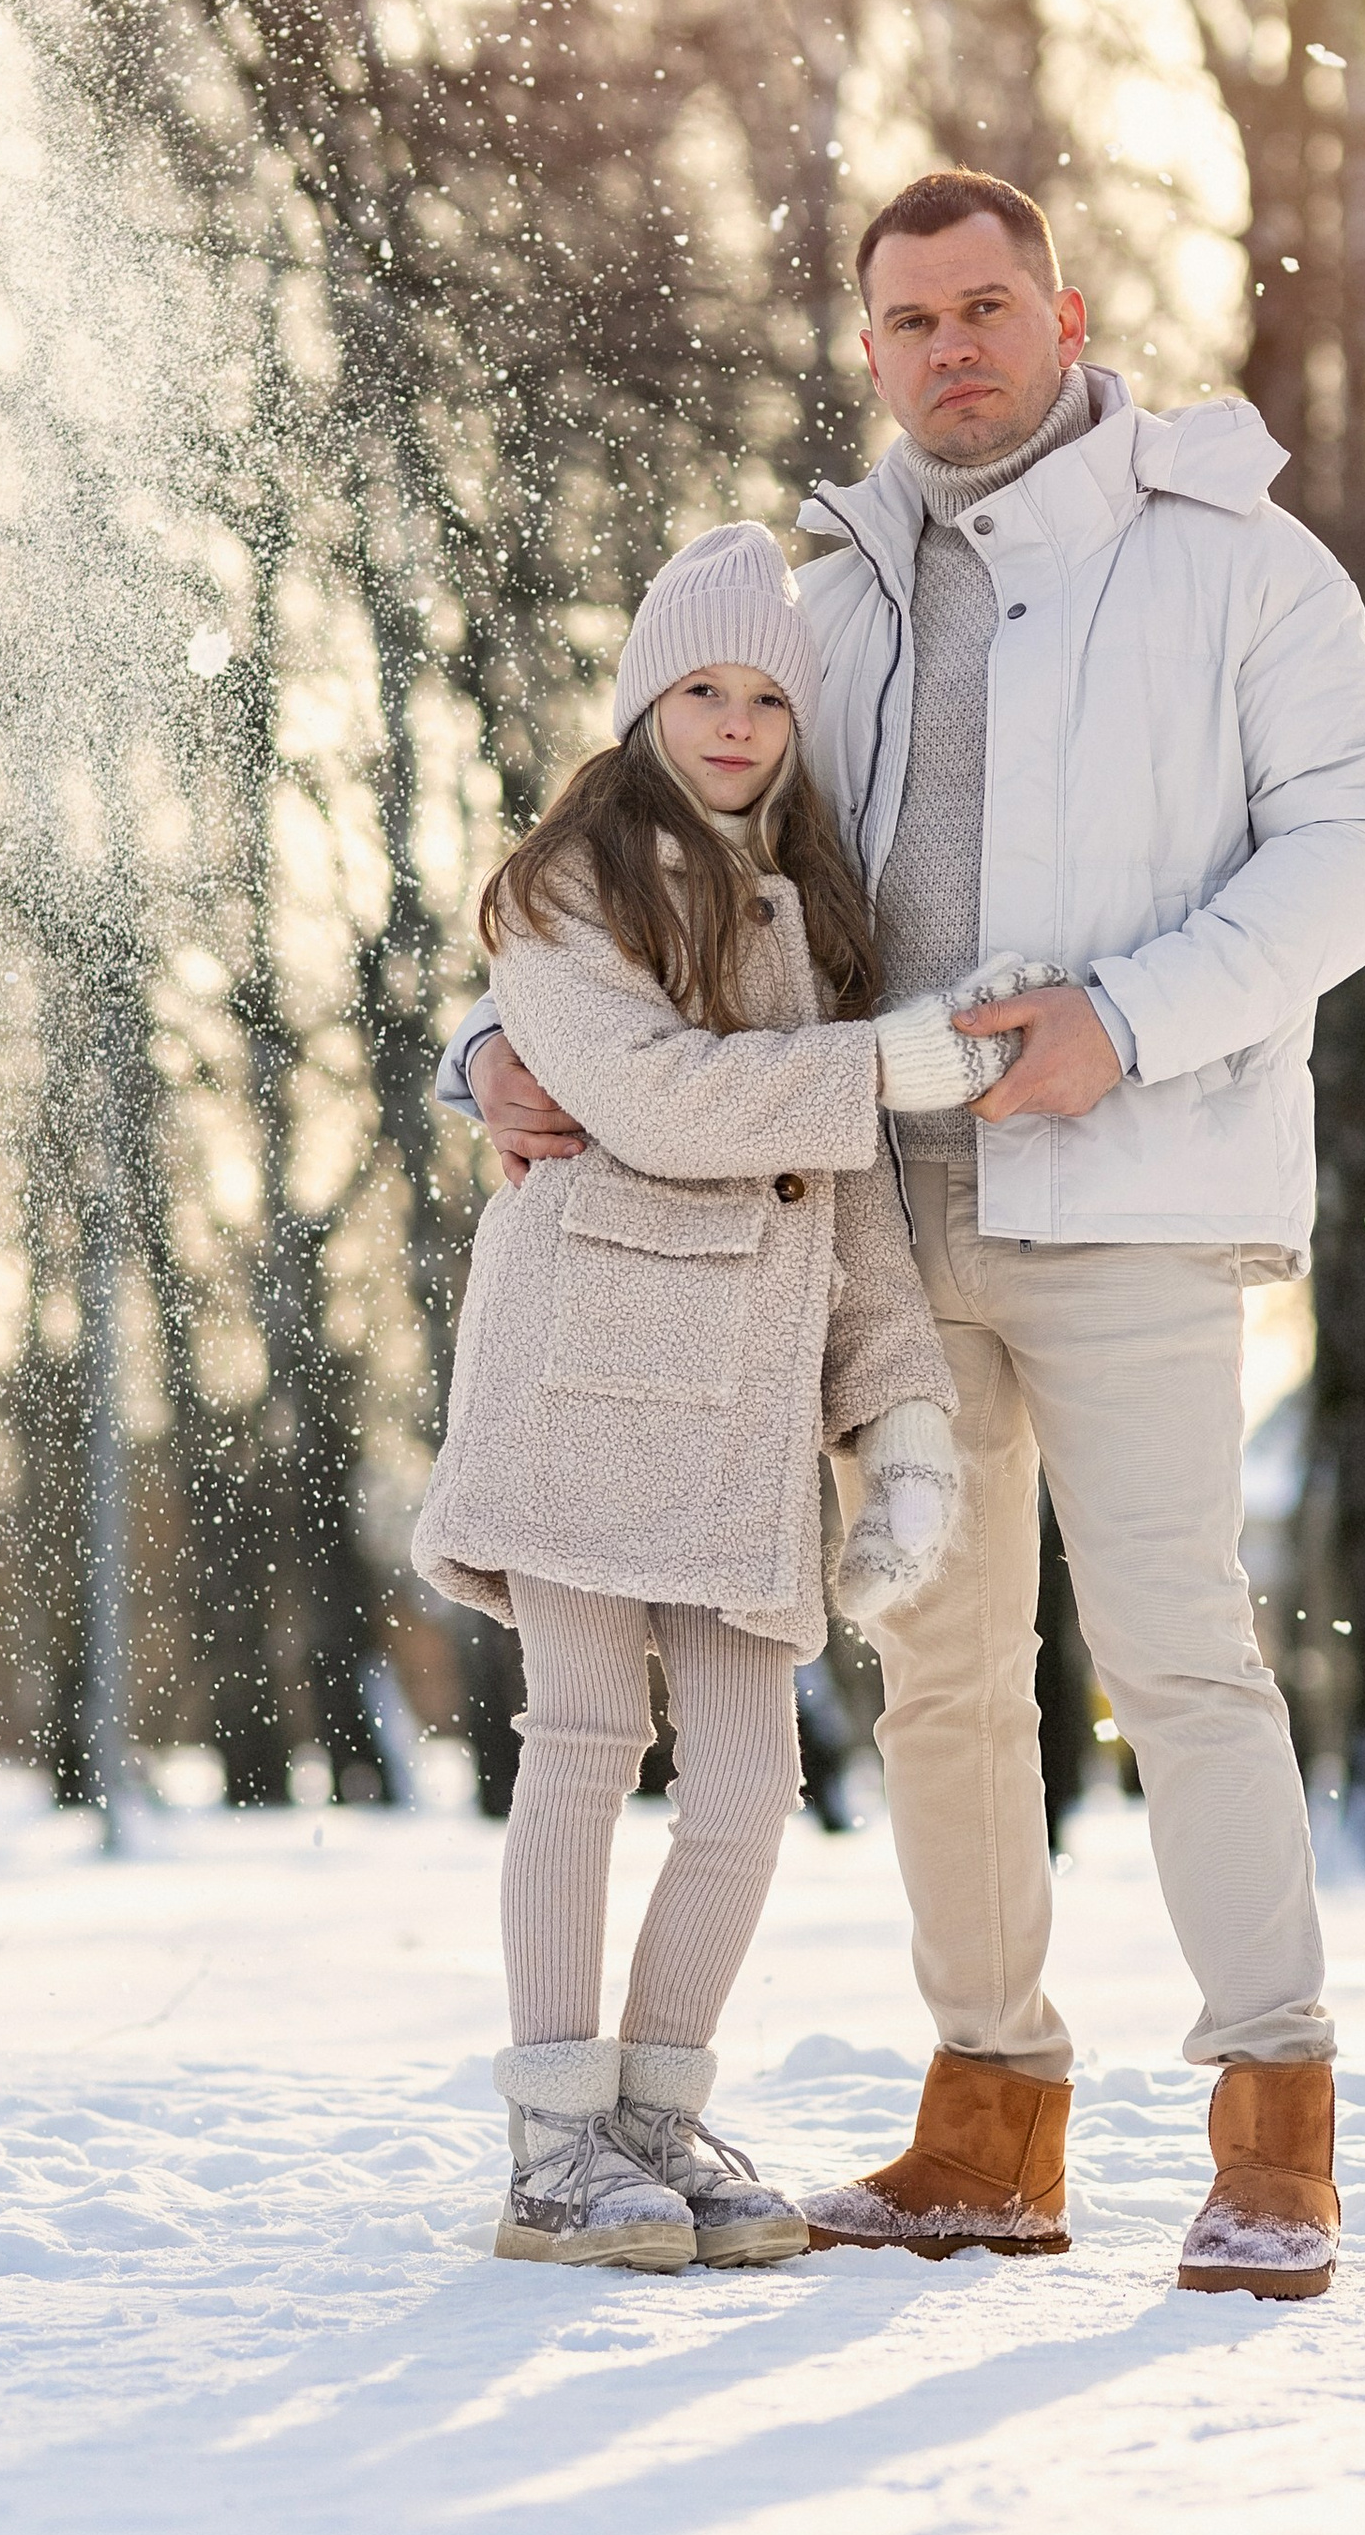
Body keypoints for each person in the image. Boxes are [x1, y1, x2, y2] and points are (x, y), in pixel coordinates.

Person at [444, 173, 1365, 2297]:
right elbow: (676, 868)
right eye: (906, 322)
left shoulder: (1235, 567)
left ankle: (1273, 2125)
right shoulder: (830, 597)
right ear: (867, 348)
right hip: (876, 1236)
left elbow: (1363, 853)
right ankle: (990, 2113)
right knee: (946, 1680)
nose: (947, 350)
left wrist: (1126, 1022)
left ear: (1065, 316)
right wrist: (490, 1056)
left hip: (1136, 1200)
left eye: (985, 308)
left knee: (1178, 1658)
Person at [413, 519, 1038, 2274]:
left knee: (753, 1784)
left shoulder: (811, 910)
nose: (739, 722)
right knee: (588, 1740)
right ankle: (552, 2137)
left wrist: (899, 1421)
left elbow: (835, 1207)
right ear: (645, 700)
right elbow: (670, 1103)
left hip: (743, 1413)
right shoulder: (561, 894)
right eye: (703, 688)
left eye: (769, 694)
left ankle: (653, 2120)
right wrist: (884, 1064)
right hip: (588, 1373)